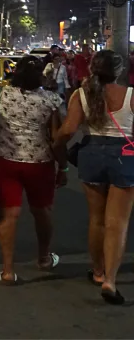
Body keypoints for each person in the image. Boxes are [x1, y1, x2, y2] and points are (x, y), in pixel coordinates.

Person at [56, 49, 134, 305]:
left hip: (91, 154)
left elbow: (68, 130)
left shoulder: (82, 94)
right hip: (125, 156)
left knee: (97, 219)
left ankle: (98, 272)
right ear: (120, 71)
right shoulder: (131, 95)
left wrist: (53, 145)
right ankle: (110, 280)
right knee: (117, 223)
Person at [0, 56, 67, 284]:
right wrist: (64, 167)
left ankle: (8, 270)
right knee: (42, 211)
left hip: (6, 161)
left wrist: (5, 134)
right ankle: (43, 258)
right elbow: (55, 137)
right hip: (40, 163)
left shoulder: (0, 95)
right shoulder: (51, 100)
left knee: (9, 214)